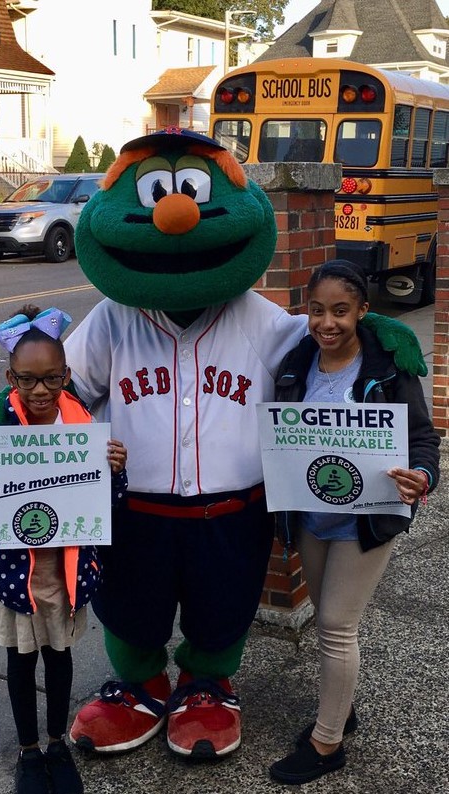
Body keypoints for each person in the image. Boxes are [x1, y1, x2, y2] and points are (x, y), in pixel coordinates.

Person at [59, 128, 429, 761]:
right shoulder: (114, 317)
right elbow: (60, 391)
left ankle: (206, 684)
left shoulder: (260, 318)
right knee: (130, 604)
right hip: (133, 511)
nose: (174, 218)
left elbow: (326, 340)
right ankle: (141, 685)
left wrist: (380, 335)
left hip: (228, 513)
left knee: (221, 605)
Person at [0, 305, 128, 794]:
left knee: (59, 657)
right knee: (20, 663)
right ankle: (28, 751)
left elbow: (107, 507)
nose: (40, 390)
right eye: (28, 379)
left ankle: (59, 745)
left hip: (64, 571)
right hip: (14, 573)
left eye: (50, 378)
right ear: (10, 377)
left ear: (66, 375)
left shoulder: (81, 420)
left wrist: (113, 472)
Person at [268, 259, 440, 785]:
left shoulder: (387, 368)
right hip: (312, 515)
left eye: (341, 311)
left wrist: (422, 476)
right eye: (316, 310)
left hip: (366, 521)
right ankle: (341, 708)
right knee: (327, 622)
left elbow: (423, 440)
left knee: (338, 627)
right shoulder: (296, 365)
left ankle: (327, 743)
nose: (327, 323)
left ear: (363, 310)